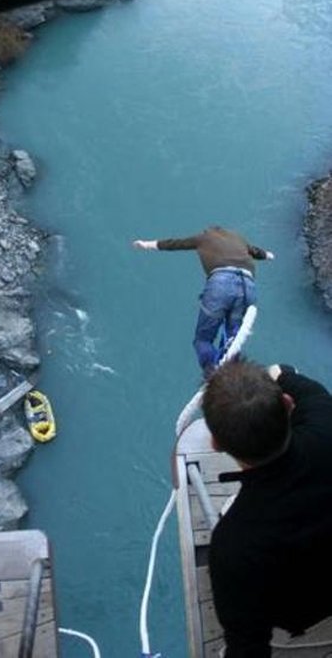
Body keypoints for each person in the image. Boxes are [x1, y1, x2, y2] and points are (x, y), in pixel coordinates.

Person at [202, 359, 332, 656]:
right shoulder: (325, 419)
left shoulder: (233, 546)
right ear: (288, 405)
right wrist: (277, 373)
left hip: (303, 611)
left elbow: (248, 649)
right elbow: (287, 374)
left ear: (216, 443)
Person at [133, 226, 274, 377]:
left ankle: (213, 372)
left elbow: (175, 244)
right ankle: (228, 363)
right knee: (232, 336)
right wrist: (268, 255)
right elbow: (256, 252)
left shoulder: (203, 238)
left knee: (203, 340)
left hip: (221, 282)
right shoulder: (238, 238)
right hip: (248, 285)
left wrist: (146, 244)